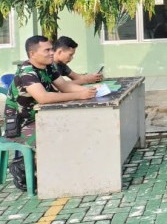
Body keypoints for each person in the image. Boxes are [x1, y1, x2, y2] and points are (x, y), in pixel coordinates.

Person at [3, 36, 97, 191]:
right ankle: (21, 166)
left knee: (74, 126)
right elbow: (43, 97)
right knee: (56, 136)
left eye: (52, 49)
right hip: (21, 125)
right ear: (32, 54)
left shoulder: (48, 67)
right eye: (47, 50)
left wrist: (90, 91)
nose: (51, 53)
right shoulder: (27, 72)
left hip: (42, 116)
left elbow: (65, 86)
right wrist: (79, 95)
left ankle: (65, 172)